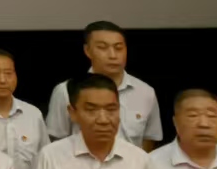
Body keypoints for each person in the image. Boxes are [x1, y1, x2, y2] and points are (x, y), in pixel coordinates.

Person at [45, 21, 161, 150]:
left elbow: (148, 141)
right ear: (87, 50)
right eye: (102, 47)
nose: (113, 55)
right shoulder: (65, 90)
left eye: (118, 48)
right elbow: (56, 142)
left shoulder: (145, 92)